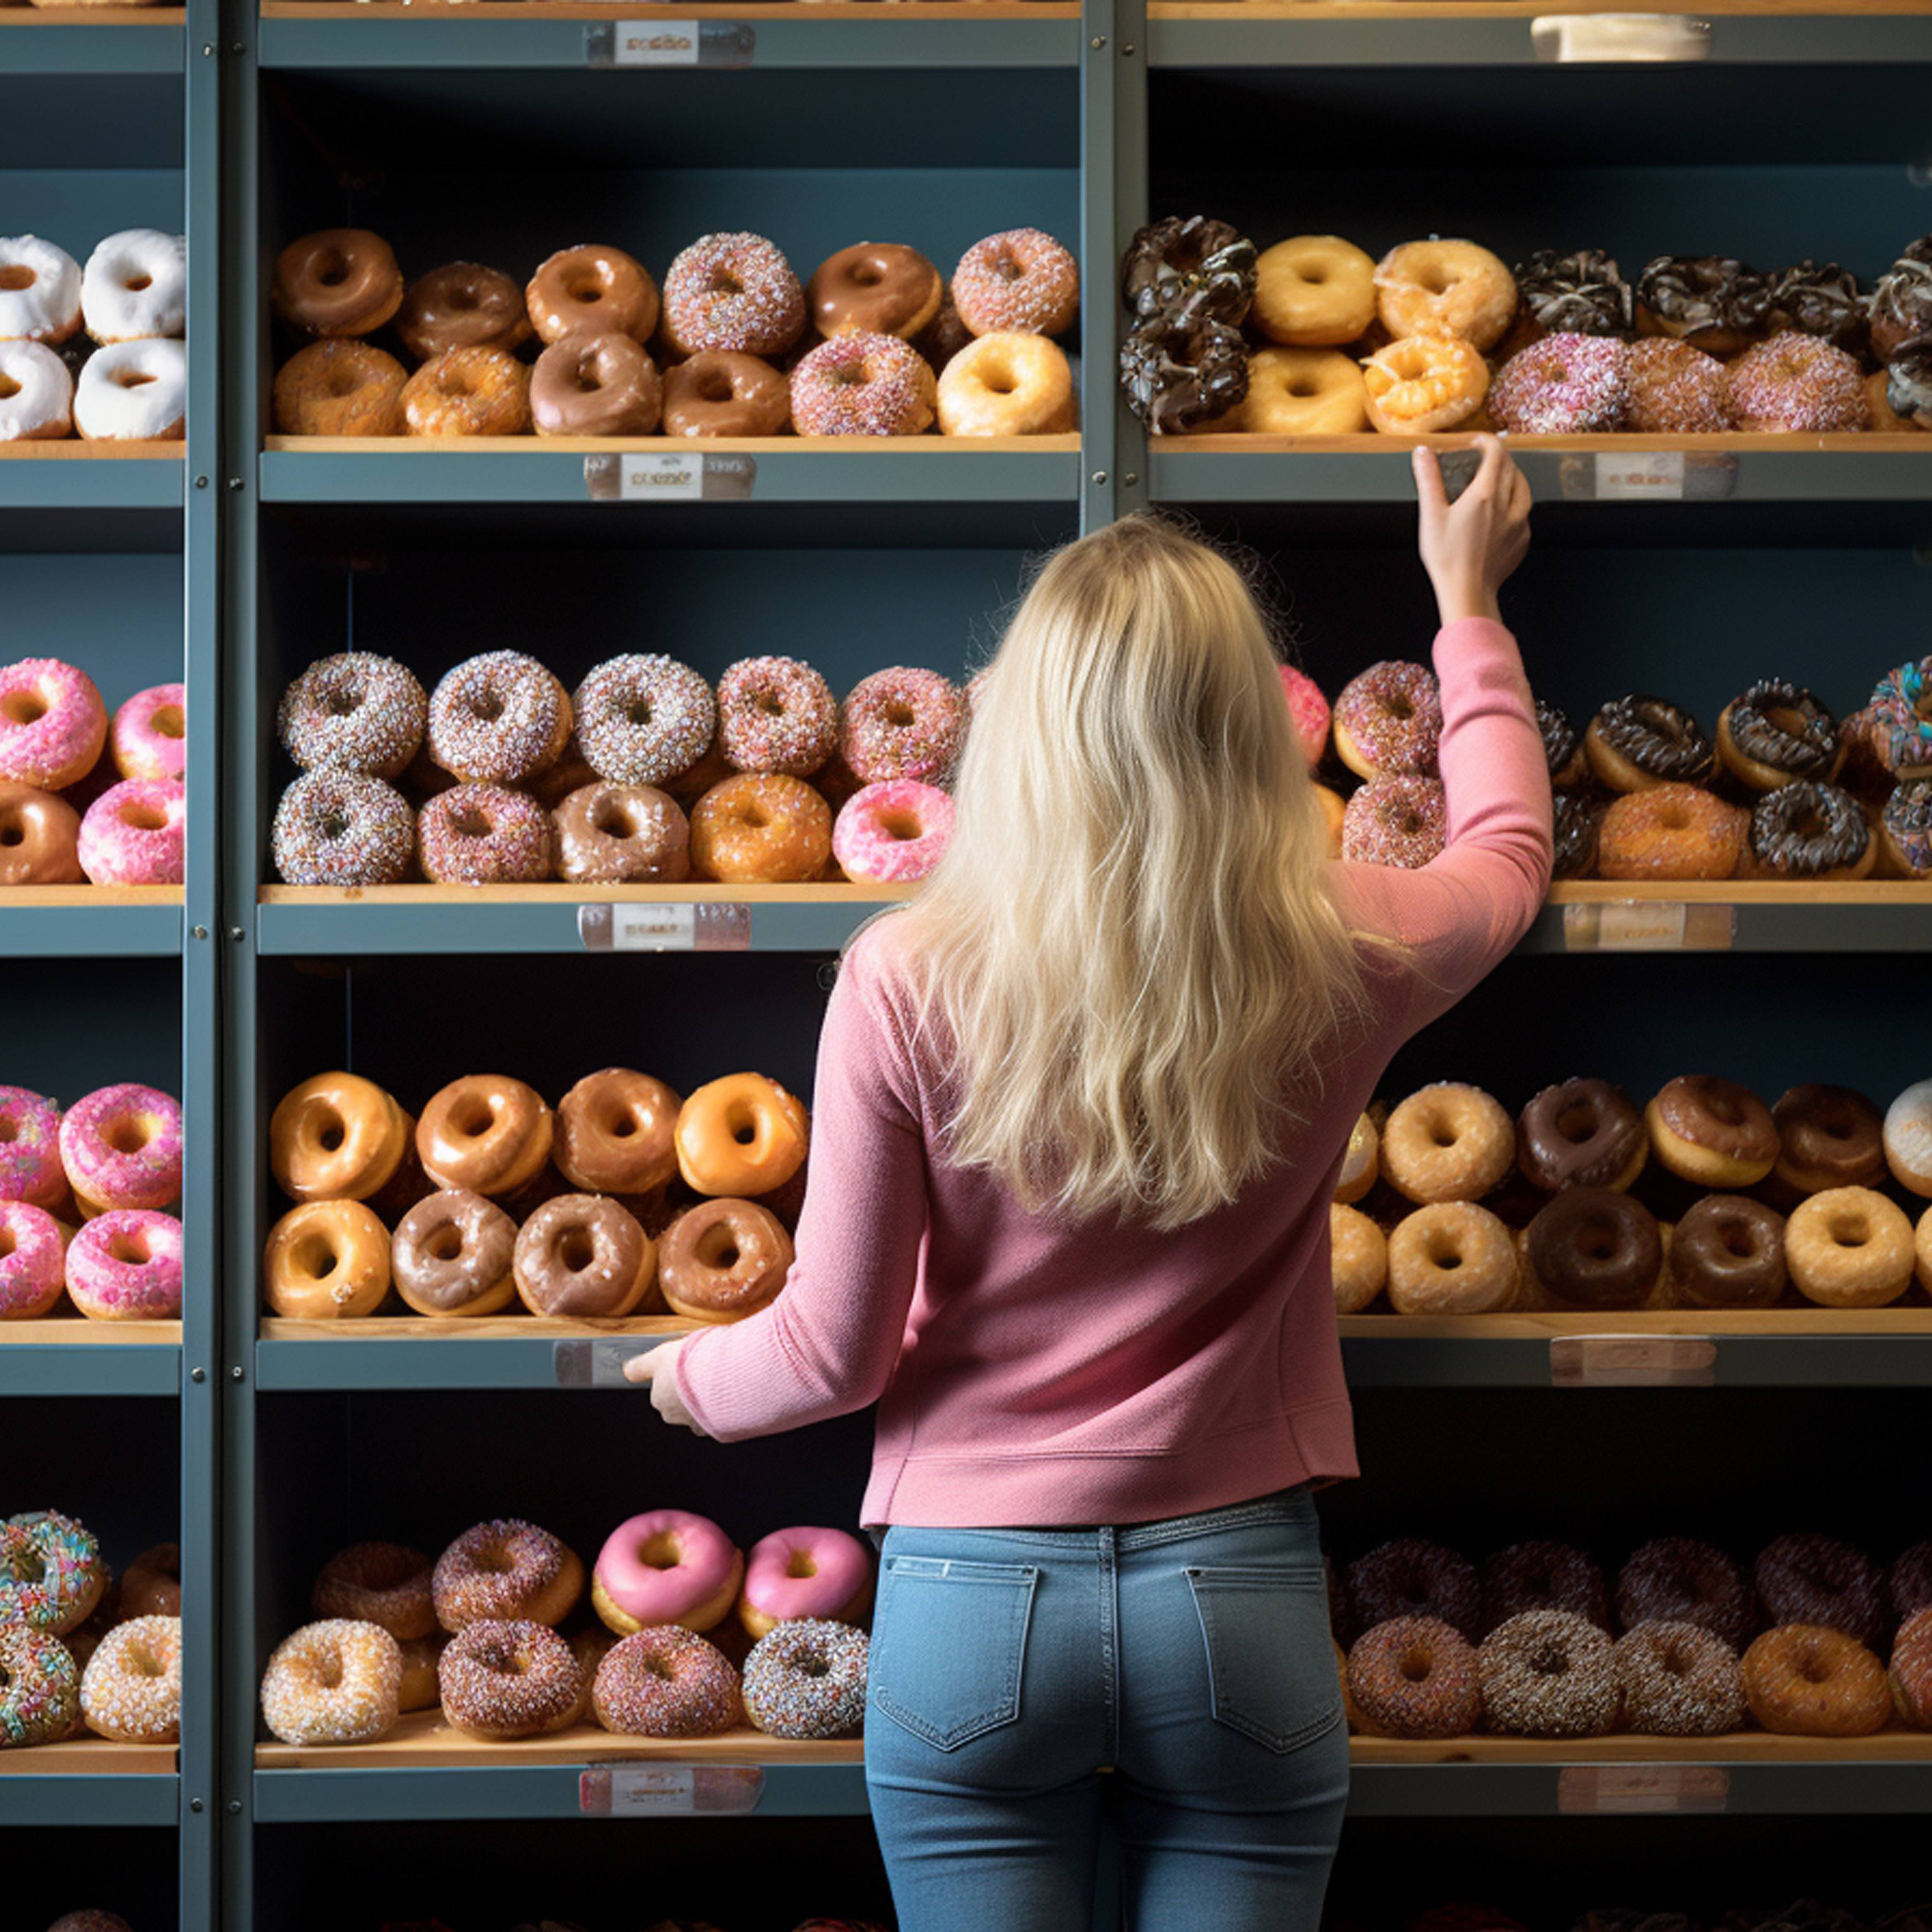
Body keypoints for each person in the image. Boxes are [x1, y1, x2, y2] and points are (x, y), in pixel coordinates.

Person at [627, 435, 1549, 1930]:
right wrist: (1468, 602)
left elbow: (830, 1350)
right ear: (1251, 722)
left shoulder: (909, 974)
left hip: (970, 1607)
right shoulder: (1348, 940)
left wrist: (685, 1379)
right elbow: (1509, 853)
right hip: (1236, 1592)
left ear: (1026, 727)